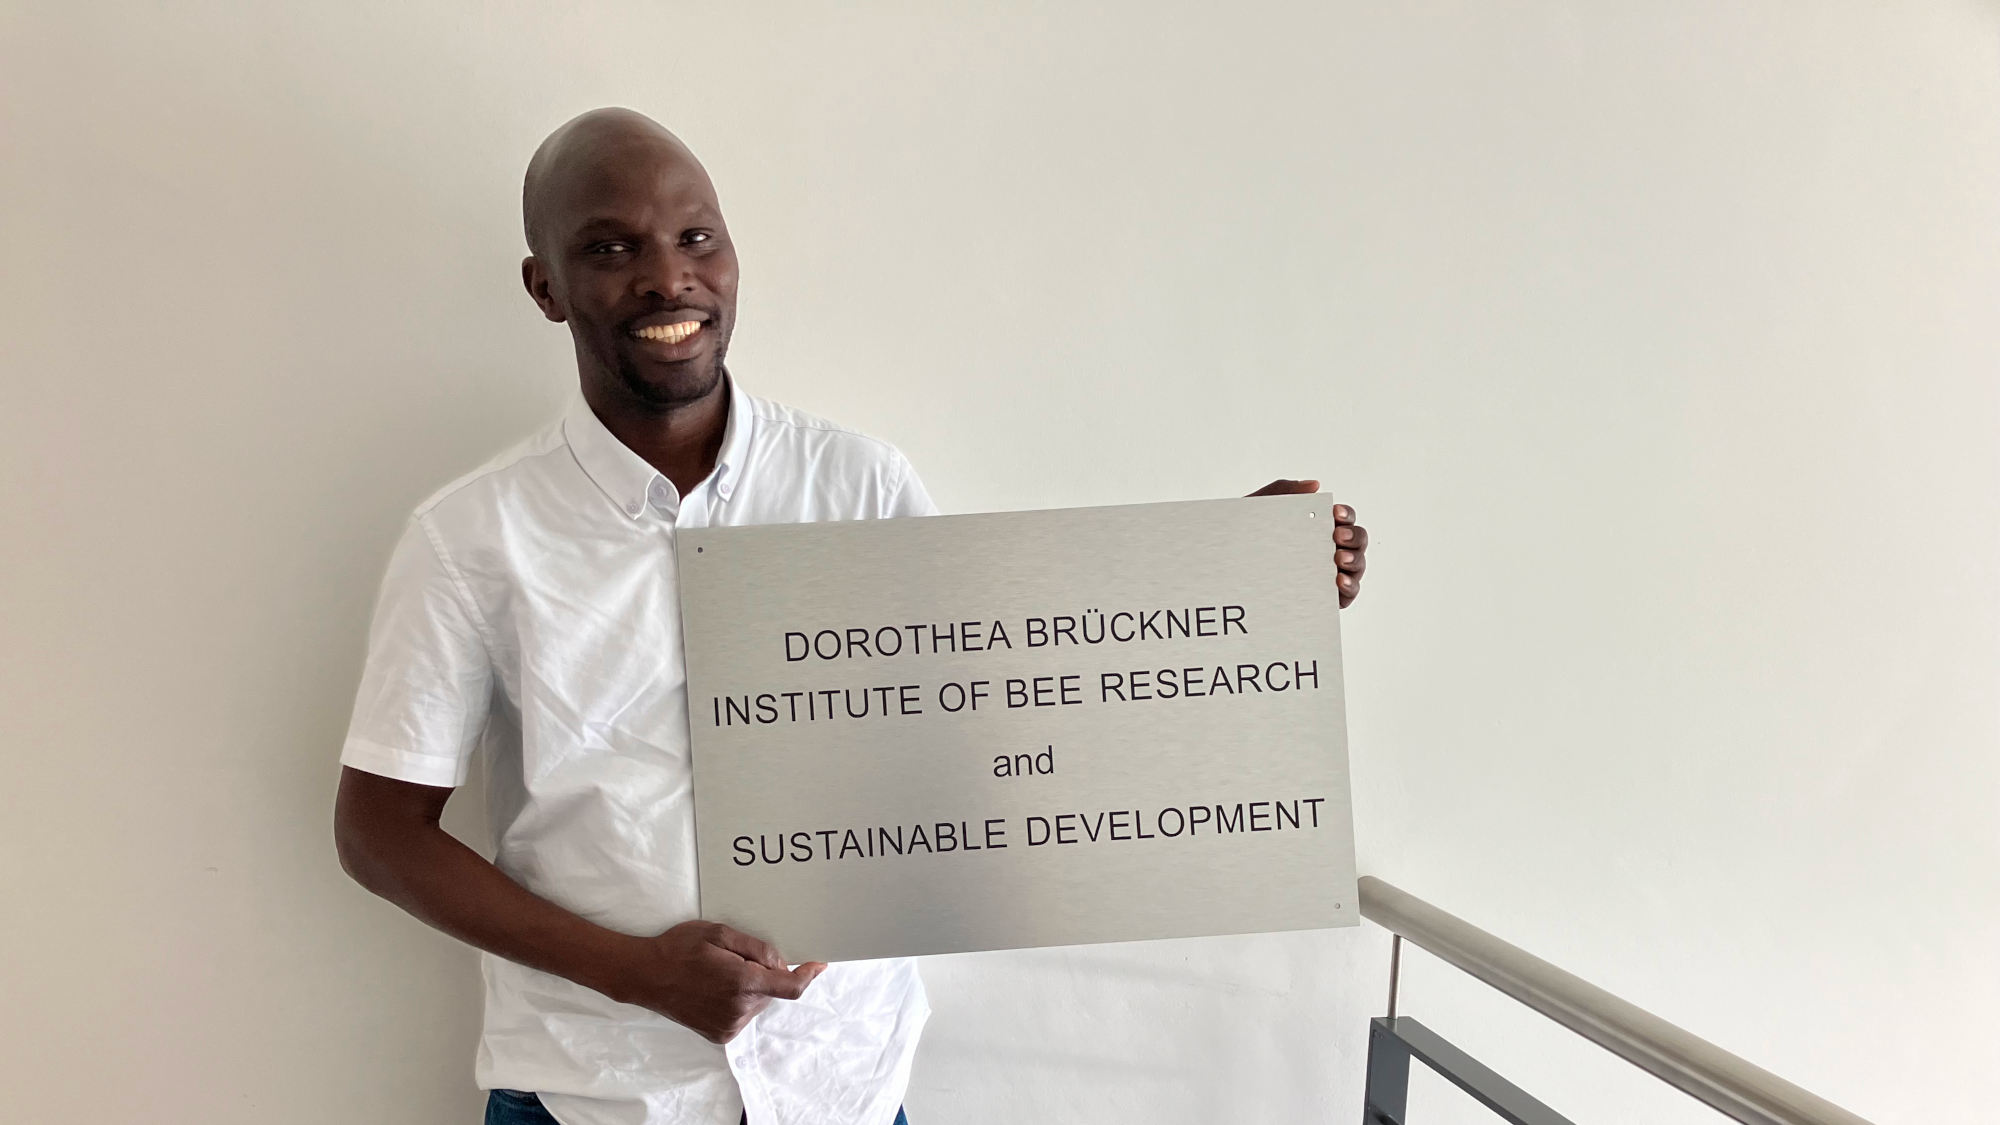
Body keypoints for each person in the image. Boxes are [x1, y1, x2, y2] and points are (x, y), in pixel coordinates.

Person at [332, 107, 1370, 1125]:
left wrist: (1234, 580)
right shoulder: (472, 536)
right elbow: (380, 833)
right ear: (545, 287)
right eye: (610, 248)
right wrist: (633, 973)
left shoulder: (855, 482)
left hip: (841, 1081)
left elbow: (991, 701)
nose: (666, 276)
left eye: (697, 237)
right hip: (596, 1093)